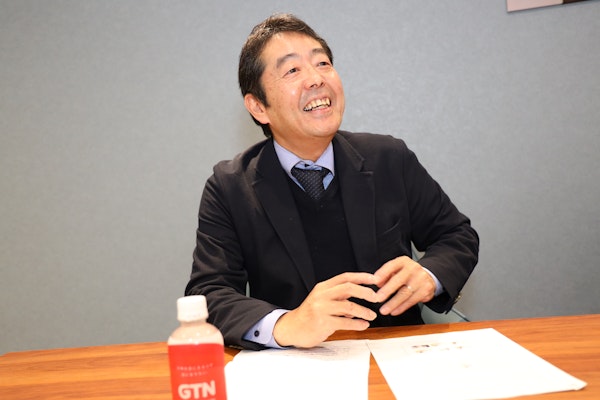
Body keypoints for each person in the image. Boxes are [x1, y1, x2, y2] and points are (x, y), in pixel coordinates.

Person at [185, 13, 479, 350]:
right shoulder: (228, 187)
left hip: (396, 352)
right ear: (258, 107)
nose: (316, 79)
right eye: (292, 70)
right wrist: (285, 324)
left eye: (322, 63)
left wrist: (429, 275)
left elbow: (456, 235)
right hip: (294, 362)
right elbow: (209, 294)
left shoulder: (389, 158)